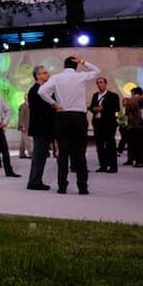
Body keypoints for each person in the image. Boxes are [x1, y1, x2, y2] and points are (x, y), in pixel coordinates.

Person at [38, 55, 100, 195]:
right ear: (76, 66)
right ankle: (82, 187)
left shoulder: (56, 78)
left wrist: (54, 103)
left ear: (64, 66)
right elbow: (97, 71)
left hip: (63, 116)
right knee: (80, 153)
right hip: (79, 117)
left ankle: (62, 186)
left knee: (63, 153)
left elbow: (41, 91)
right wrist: (83, 61)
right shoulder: (81, 76)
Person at [26, 65, 55, 191]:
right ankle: (34, 181)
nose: (48, 74)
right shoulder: (35, 90)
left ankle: (36, 180)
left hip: (44, 127)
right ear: (37, 76)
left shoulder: (43, 89)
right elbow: (42, 109)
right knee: (39, 156)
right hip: (40, 128)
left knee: (42, 156)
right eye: (44, 73)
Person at [88, 77, 120, 173]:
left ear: (105, 84)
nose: (99, 84)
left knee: (110, 144)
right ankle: (103, 165)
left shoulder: (113, 96)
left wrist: (103, 109)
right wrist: (94, 109)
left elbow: (116, 108)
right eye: (98, 83)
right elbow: (92, 106)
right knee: (99, 145)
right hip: (98, 123)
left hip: (109, 123)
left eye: (101, 82)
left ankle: (113, 166)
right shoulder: (95, 95)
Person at [17, 93, 32, 159]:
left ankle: (21, 153)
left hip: (28, 125)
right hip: (25, 126)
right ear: (25, 98)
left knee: (22, 141)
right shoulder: (23, 106)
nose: (27, 98)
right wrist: (22, 126)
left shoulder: (29, 105)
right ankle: (31, 153)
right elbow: (21, 117)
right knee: (27, 140)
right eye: (26, 97)